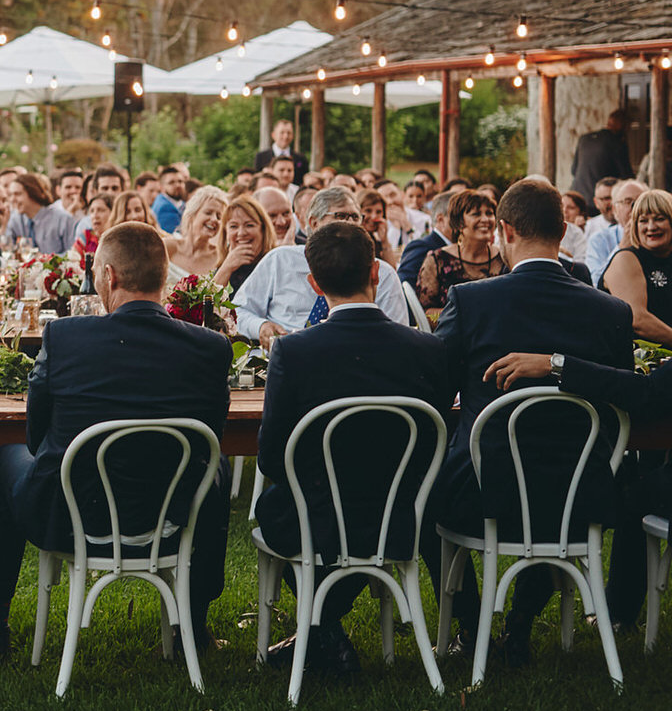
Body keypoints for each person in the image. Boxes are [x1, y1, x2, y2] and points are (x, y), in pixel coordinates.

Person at [0, 222, 229, 658]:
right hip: (170, 516)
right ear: (163, 278)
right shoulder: (211, 347)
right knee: (215, 469)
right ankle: (194, 623)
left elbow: (35, 438)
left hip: (69, 514)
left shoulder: (65, 337)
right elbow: (208, 440)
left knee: (2, 456)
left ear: (109, 276)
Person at [422, 178, 633, 662]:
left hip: (484, 490)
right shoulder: (612, 312)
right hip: (582, 494)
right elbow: (623, 396)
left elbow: (434, 389)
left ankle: (472, 630)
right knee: (548, 478)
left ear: (503, 231)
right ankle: (518, 622)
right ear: (564, 230)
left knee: (426, 494)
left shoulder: (473, 301)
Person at [254, 222, 448, 675]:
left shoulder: (294, 352)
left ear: (315, 285)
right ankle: (326, 632)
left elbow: (270, 458)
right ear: (377, 275)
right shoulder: (427, 349)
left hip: (314, 519)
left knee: (274, 507)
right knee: (322, 512)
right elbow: (434, 437)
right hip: (402, 516)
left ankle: (321, 630)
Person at [235, 186, 413, 349]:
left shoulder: (381, 272)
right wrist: (260, 326)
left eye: (355, 217)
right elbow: (239, 310)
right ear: (313, 223)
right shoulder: (281, 260)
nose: (350, 224)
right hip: (285, 353)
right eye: (341, 216)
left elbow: (398, 334)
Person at [413, 190, 505, 314]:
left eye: (489, 213)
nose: (485, 219)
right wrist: (462, 315)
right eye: (476, 214)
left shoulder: (504, 258)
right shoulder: (438, 260)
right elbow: (424, 314)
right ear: (459, 222)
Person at [598, 188, 672, 342]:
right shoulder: (625, 259)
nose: (651, 227)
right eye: (643, 221)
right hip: (637, 358)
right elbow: (637, 320)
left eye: (659, 219)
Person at [164, 184, 227, 286]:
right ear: (192, 215)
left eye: (219, 217)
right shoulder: (167, 247)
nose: (214, 219)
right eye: (208, 212)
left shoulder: (220, 258)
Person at [214, 194, 275, 291]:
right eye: (234, 226)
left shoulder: (275, 264)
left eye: (249, 225)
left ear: (263, 230)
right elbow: (208, 302)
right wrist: (226, 268)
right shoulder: (223, 269)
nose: (241, 233)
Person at [588, 179, 645, 284]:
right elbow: (594, 282)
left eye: (641, 201)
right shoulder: (599, 240)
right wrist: (621, 248)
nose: (636, 207)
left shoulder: (656, 237)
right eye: (628, 202)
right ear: (615, 209)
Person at [570, 110, 634, 201]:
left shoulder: (584, 138)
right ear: (623, 125)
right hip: (600, 199)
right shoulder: (617, 143)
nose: (629, 129)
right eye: (628, 126)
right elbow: (627, 176)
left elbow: (573, 170)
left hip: (576, 196)